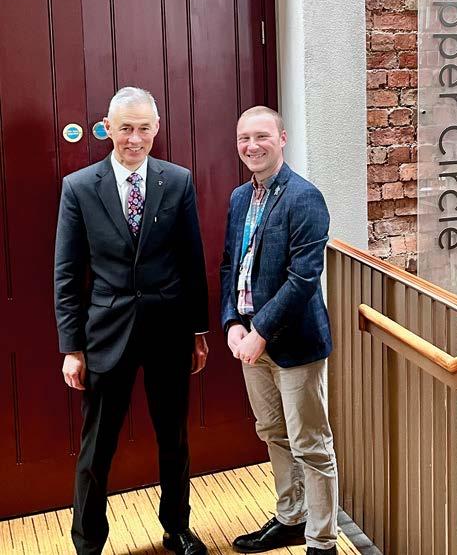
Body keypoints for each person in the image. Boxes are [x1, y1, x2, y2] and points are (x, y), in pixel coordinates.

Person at [55, 87, 209, 555]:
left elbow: (192, 260)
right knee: (96, 448)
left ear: (157, 128)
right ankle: (87, 543)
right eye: (125, 128)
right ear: (108, 128)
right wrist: (71, 347)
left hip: (169, 331)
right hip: (106, 334)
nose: (135, 138)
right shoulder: (79, 187)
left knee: (173, 439)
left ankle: (177, 528)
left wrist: (198, 332)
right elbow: (67, 272)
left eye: (144, 128)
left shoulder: (178, 181)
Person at [220, 106, 338, 555]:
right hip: (250, 342)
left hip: (294, 344)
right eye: (244, 138)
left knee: (311, 445)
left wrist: (261, 331)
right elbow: (230, 266)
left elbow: (303, 278)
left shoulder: (304, 196)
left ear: (282, 139)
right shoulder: (239, 198)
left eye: (262, 136)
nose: (252, 146)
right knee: (273, 432)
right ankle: (291, 519)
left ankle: (322, 541)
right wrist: (232, 322)